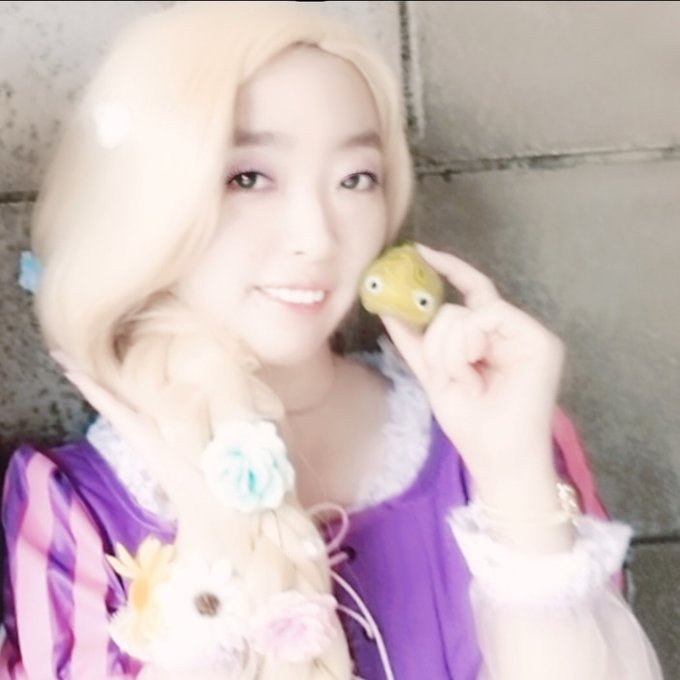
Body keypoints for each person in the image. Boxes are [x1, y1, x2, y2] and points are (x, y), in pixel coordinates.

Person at [0, 2, 664, 679]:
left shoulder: (487, 433)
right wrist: (210, 563)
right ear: (142, 204)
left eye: (355, 179)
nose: (317, 237)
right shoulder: (75, 509)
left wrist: (514, 479)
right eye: (248, 178)